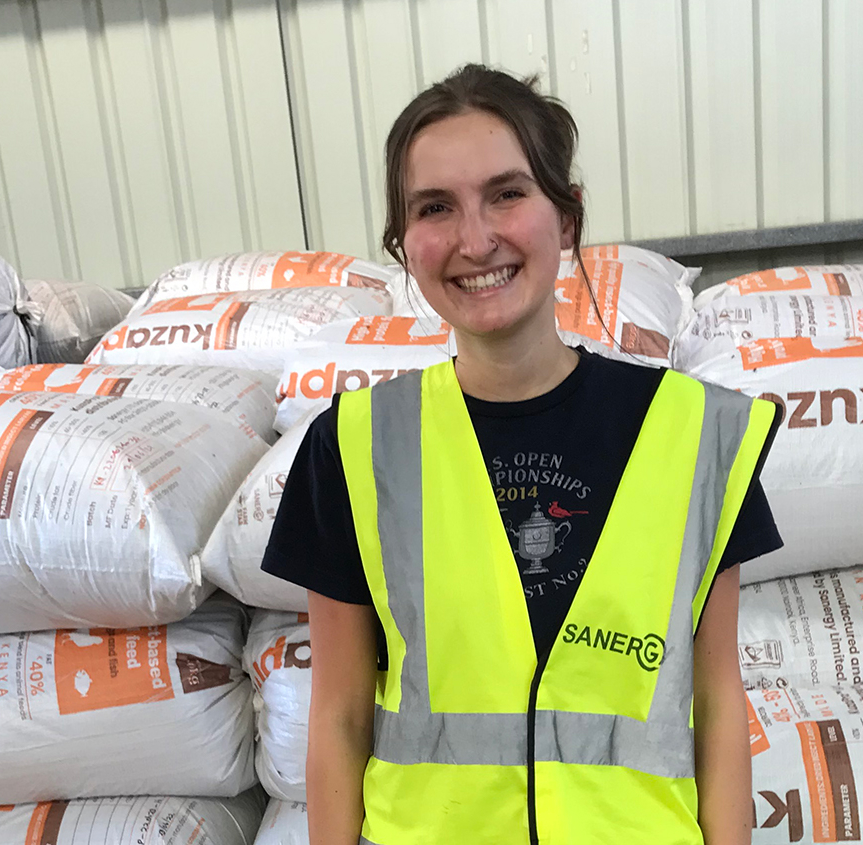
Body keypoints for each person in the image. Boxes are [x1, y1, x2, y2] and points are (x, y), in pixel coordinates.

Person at [263, 63, 782, 845]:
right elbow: (336, 719)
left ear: (566, 218)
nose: (475, 240)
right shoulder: (357, 447)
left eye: (507, 193)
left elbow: (716, 701)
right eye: (435, 207)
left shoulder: (693, 436)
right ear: (403, 244)